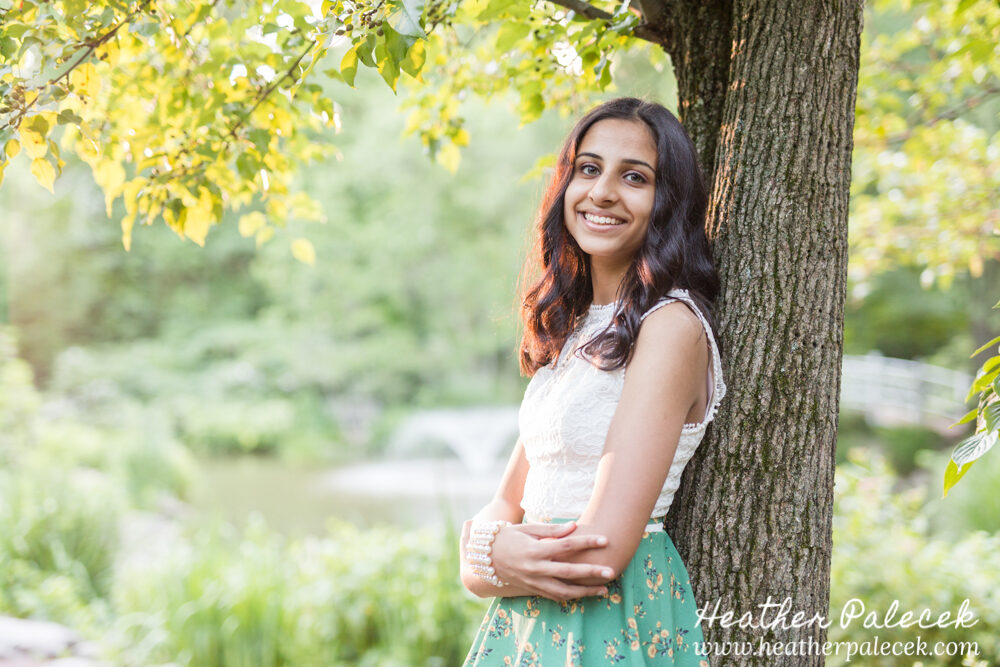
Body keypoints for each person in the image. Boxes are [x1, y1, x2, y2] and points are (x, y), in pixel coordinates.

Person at [459, 97, 726, 666]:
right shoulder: (574, 329)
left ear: (667, 203)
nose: (603, 191)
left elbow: (596, 557)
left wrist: (494, 554)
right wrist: (488, 549)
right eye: (588, 168)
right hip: (528, 625)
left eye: (634, 177)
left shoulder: (670, 326)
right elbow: (498, 515)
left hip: (612, 619)